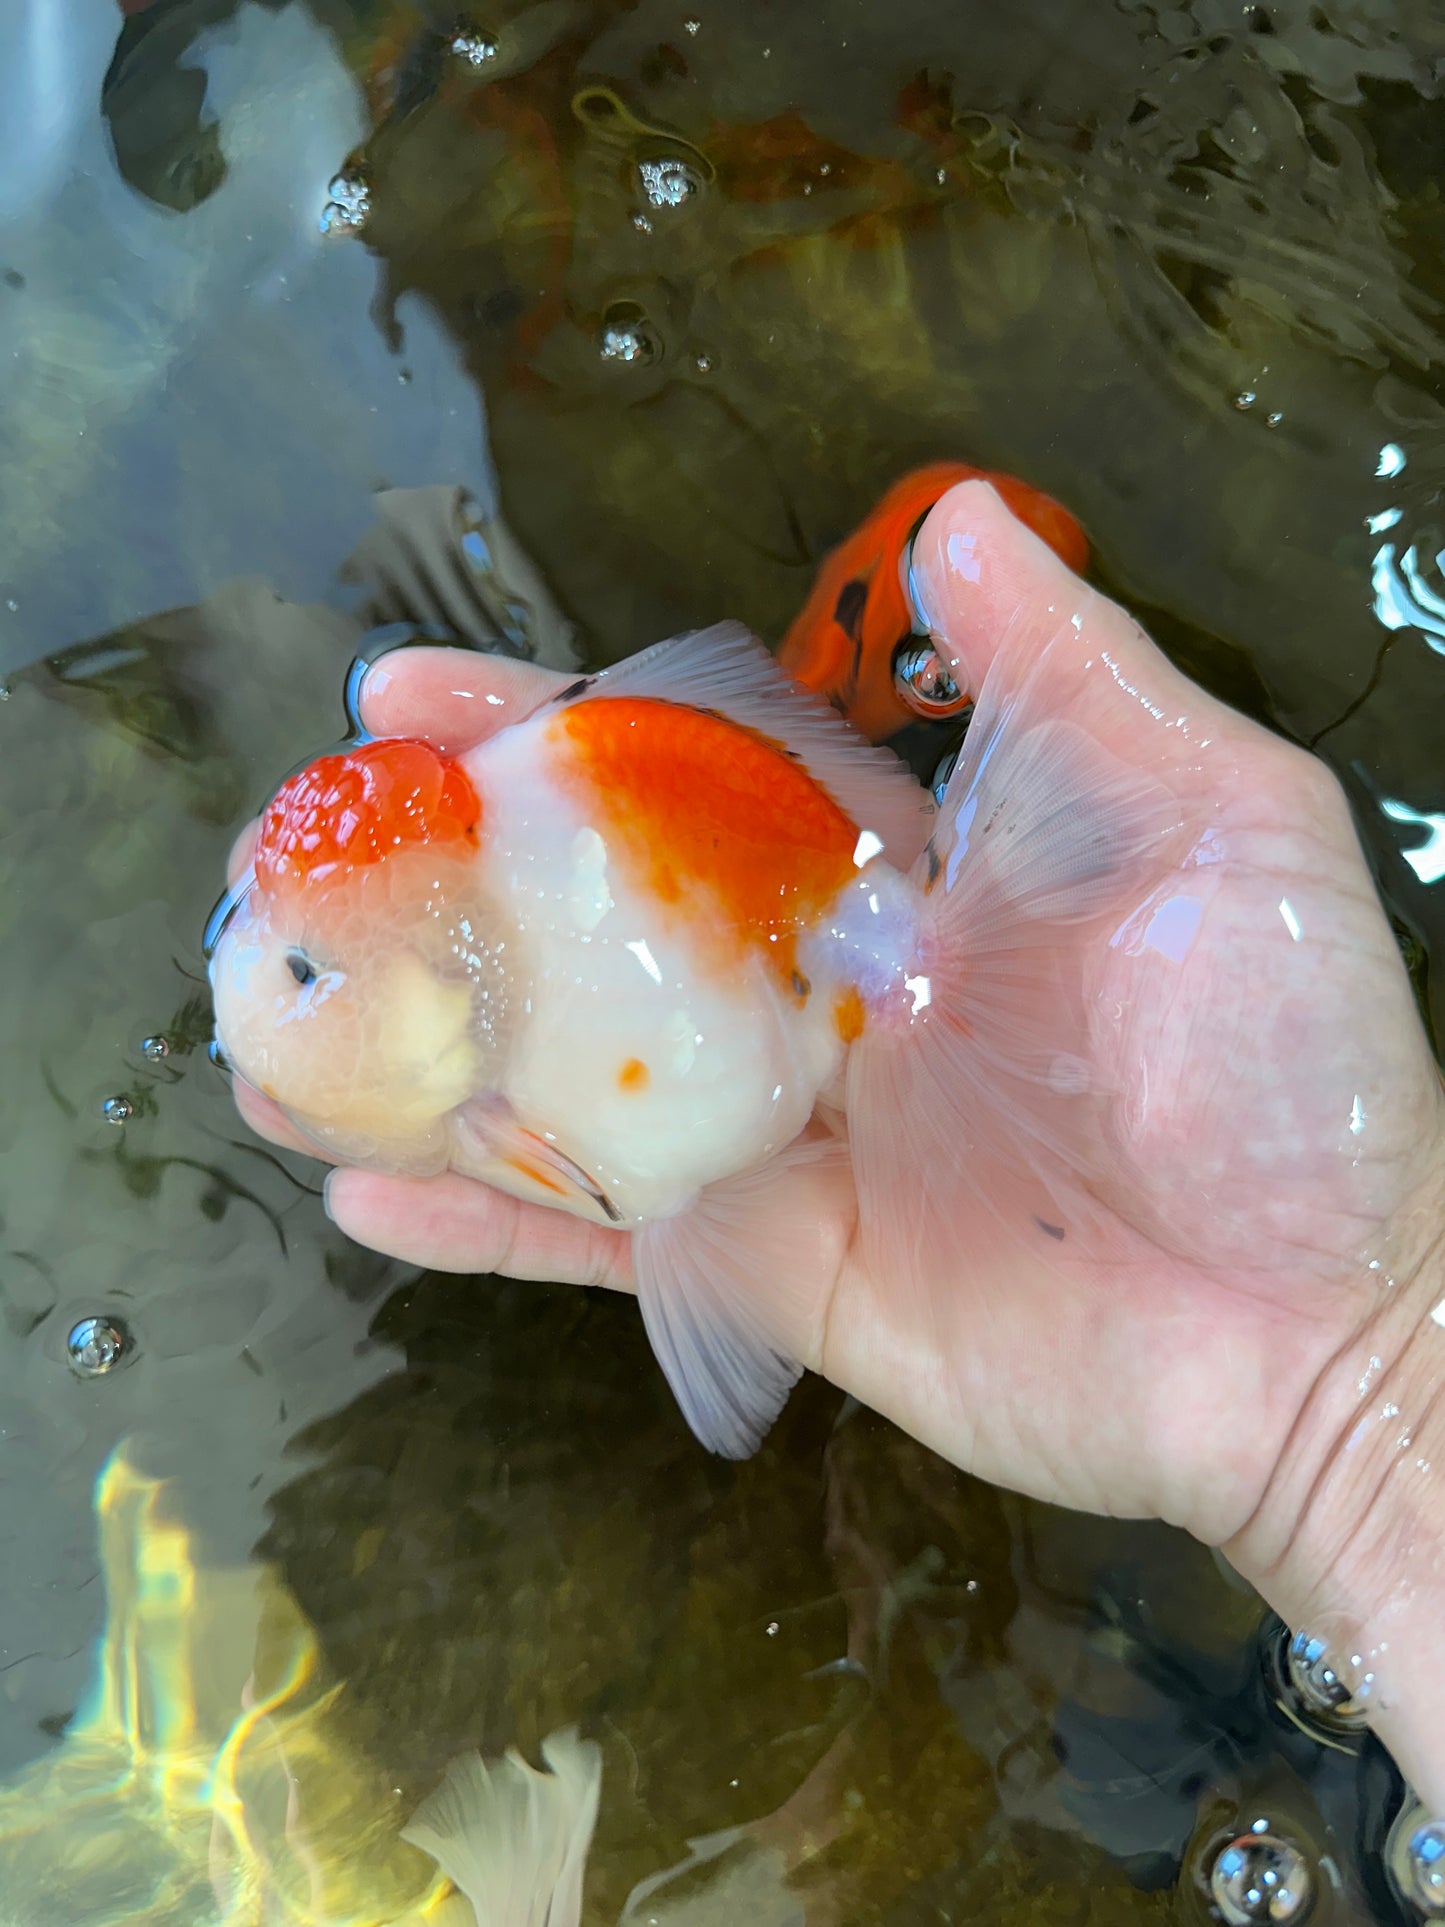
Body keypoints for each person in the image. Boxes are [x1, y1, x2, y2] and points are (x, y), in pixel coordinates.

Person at [231, 480, 1445, 1816]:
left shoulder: (533, 1009)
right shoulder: (491, 1019)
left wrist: (1366, 1385)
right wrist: (1356, 1411)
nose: (248, 983)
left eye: (295, 963)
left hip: (802, 949)